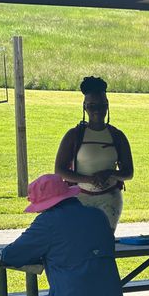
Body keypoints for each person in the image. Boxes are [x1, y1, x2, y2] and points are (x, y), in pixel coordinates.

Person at [55, 76, 134, 232]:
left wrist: (109, 173)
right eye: (92, 106)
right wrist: (90, 179)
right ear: (84, 107)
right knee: (81, 241)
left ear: (107, 106)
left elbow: (128, 173)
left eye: (101, 105)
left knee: (104, 241)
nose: (97, 110)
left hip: (110, 199)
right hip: (79, 198)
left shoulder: (117, 136)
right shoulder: (74, 135)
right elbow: (60, 170)